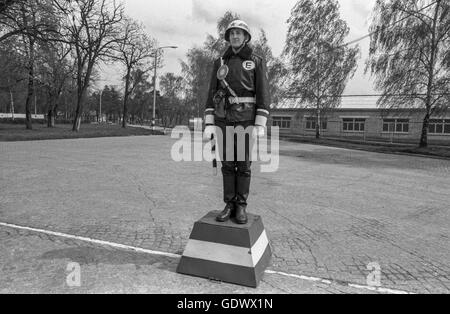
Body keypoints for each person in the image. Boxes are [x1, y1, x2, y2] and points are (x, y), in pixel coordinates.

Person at [203, 19, 271, 224]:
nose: (234, 36)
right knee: (227, 164)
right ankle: (229, 204)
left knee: (243, 164)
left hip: (246, 119)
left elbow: (263, 93)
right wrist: (209, 122)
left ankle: (241, 205)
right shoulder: (220, 62)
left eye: (239, 33)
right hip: (223, 119)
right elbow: (212, 92)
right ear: (228, 37)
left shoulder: (256, 60)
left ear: (246, 37)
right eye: (231, 33)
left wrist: (260, 123)